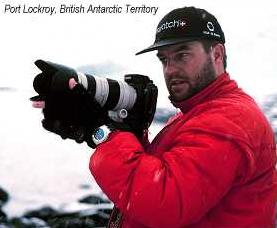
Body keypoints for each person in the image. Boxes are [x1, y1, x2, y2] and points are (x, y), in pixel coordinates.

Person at [88, 6, 277, 228]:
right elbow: (162, 172)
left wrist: (105, 135)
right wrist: (131, 133)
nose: (170, 70)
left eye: (182, 55)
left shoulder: (229, 119)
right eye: (164, 60)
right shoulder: (200, 111)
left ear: (217, 54)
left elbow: (163, 203)